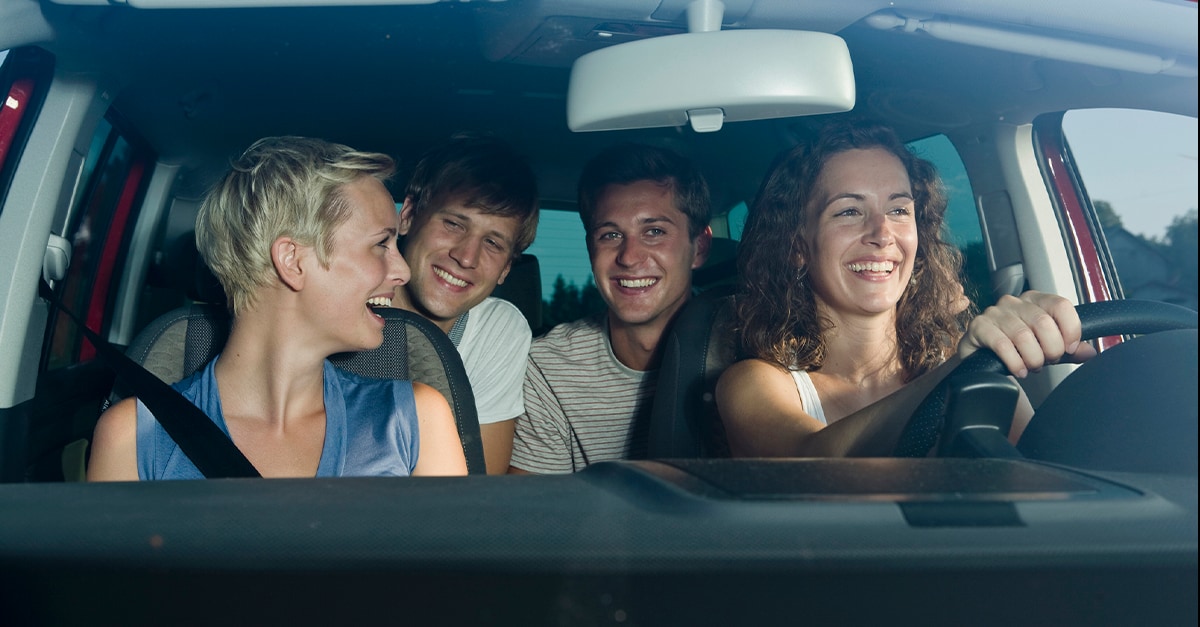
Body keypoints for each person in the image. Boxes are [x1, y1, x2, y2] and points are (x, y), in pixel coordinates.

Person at [88, 136, 468, 480]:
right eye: (381, 244)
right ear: (293, 260)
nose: (402, 271)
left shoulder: (415, 419)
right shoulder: (134, 436)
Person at [716, 119, 1095, 458]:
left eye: (899, 210)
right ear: (798, 246)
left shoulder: (973, 366)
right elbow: (810, 460)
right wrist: (958, 372)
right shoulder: (755, 384)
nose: (882, 234)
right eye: (849, 211)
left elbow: (1042, 487)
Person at [509, 143, 712, 473]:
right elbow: (538, 517)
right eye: (610, 235)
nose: (629, 257)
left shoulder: (752, 341)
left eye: (654, 231)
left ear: (699, 247)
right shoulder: (547, 369)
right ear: (590, 249)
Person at [392, 133, 540, 474]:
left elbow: (478, 488)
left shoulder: (497, 330)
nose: (466, 256)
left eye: (492, 242)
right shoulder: (344, 302)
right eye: (454, 223)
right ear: (409, 215)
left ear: (506, 269)